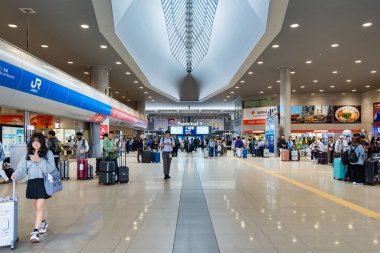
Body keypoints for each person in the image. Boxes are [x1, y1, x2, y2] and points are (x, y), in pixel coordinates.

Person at [11, 133, 56, 243]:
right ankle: (43, 222)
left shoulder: (47, 153)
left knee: (40, 205)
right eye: (34, 141)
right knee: (36, 205)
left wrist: (39, 161)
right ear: (31, 142)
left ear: (42, 142)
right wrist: (16, 175)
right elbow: (22, 168)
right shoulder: (27, 154)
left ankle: (35, 232)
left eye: (38, 141)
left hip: (43, 182)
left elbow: (51, 168)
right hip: (32, 182)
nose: (36, 143)